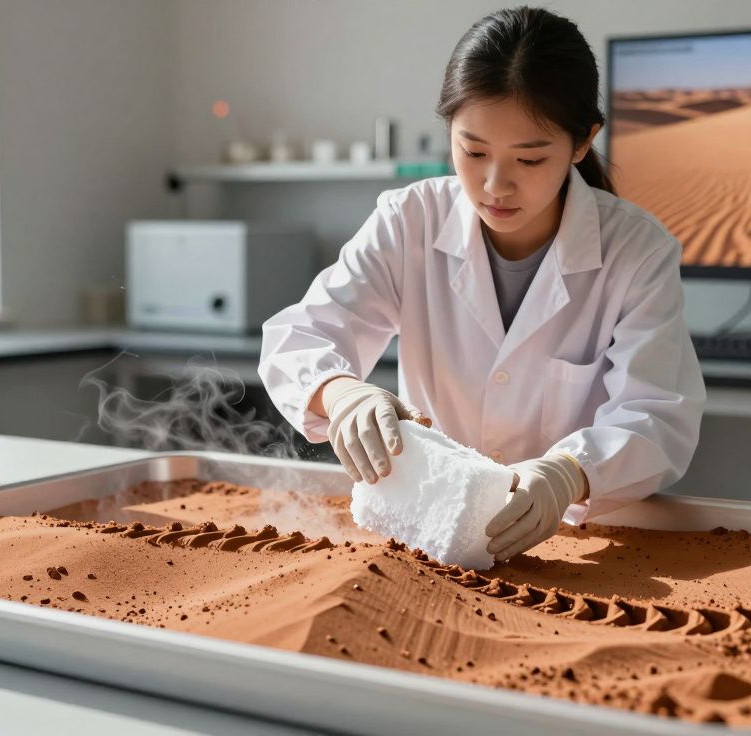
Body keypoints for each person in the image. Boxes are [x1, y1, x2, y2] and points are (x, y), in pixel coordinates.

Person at [259, 6, 704, 562]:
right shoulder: (409, 220)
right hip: (428, 536)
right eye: (473, 152)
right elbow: (301, 336)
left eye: (530, 158)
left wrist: (568, 473)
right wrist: (343, 393)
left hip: (576, 544)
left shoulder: (636, 250)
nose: (496, 185)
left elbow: (658, 413)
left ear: (583, 141)